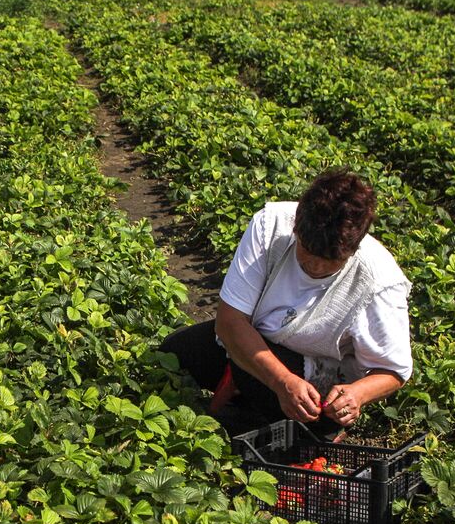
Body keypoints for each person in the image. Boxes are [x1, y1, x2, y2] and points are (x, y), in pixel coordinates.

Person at [160, 171, 412, 439]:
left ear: (354, 248)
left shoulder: (379, 281)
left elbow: (393, 370)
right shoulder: (271, 227)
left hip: (317, 377)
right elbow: (230, 321)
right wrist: (281, 381)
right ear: (296, 227)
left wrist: (357, 394)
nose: (315, 266)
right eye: (307, 251)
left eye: (330, 260)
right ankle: (250, 398)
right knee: (174, 355)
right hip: (259, 344)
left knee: (268, 395)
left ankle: (308, 428)